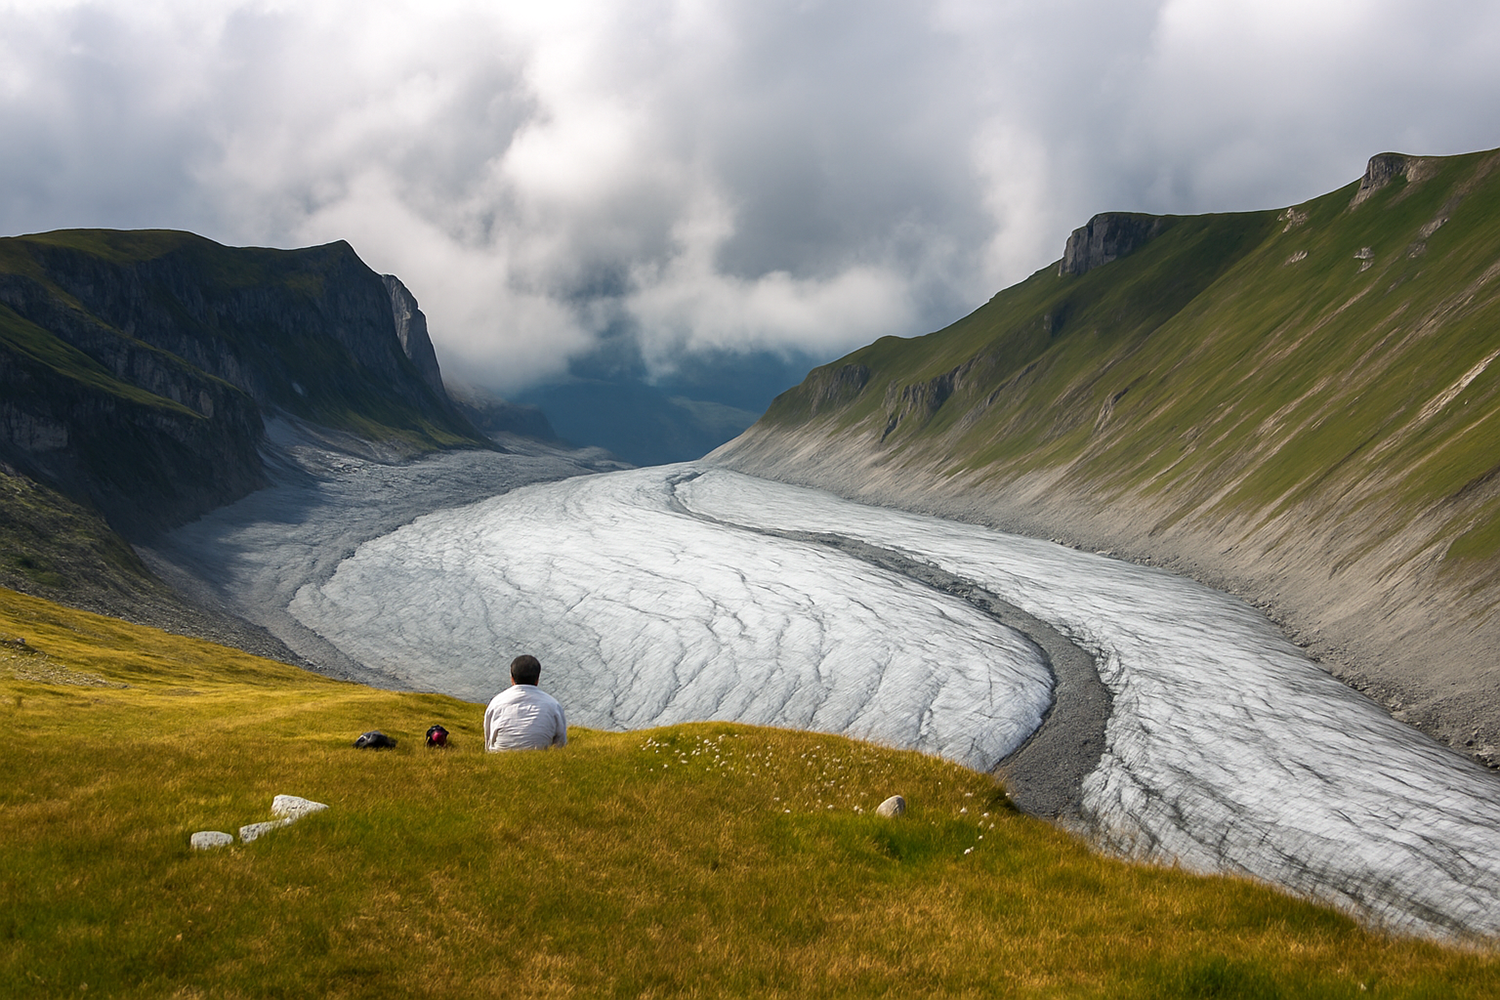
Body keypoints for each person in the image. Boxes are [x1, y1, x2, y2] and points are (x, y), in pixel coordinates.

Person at [483, 654, 568, 751]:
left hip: (498, 758)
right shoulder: (553, 705)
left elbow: (489, 740)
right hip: (540, 758)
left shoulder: (496, 702)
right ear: (537, 679)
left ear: (512, 678)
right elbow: (561, 744)